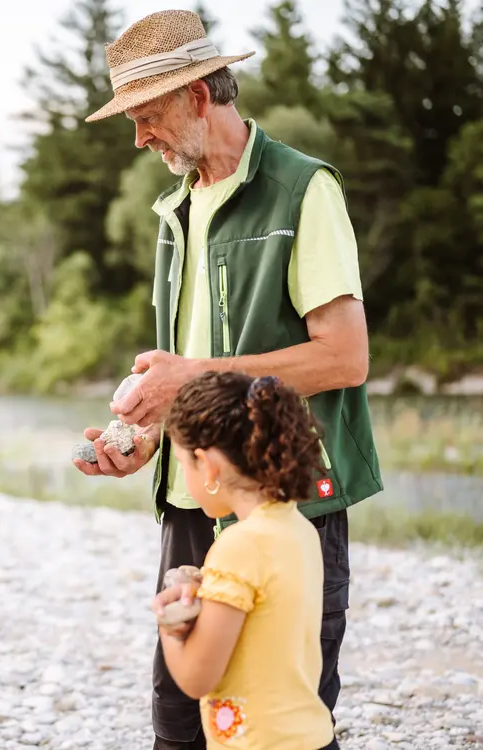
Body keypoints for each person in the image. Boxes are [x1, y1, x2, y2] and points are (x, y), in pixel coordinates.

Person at [77, 9, 383, 749]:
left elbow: (345, 358)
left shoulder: (303, 189)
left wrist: (190, 376)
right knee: (182, 720)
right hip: (192, 502)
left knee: (280, 721)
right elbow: (197, 374)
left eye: (146, 116)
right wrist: (151, 434)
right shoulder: (174, 210)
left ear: (197, 96)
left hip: (284, 500)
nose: (139, 138)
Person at [151, 371, 340, 750]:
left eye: (184, 465)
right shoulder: (299, 528)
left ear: (209, 466)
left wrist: (170, 625)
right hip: (313, 737)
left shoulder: (237, 547)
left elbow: (197, 678)